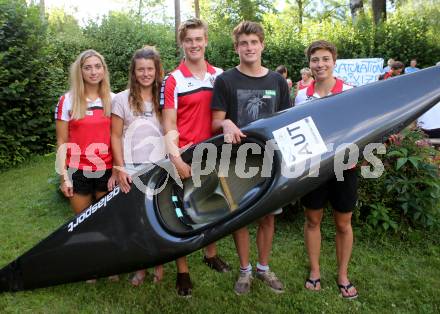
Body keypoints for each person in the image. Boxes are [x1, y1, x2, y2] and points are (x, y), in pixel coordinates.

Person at [211, 21, 290, 295]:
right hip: (236, 161)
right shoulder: (225, 80)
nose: (249, 47)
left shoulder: (277, 81)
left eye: (254, 42)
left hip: (269, 161)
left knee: (268, 217)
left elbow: (285, 122)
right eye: (243, 43)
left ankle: (263, 268)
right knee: (241, 217)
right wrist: (226, 124)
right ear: (236, 48)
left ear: (262, 45)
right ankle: (244, 271)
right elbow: (215, 122)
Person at [161, 18, 230, 297]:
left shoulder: (220, 76)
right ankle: (183, 272)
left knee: (214, 204)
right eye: (188, 40)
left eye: (198, 39)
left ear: (206, 41)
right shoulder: (173, 79)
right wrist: (176, 159)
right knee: (181, 214)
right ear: (182, 43)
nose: (194, 44)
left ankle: (210, 255)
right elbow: (168, 124)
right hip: (186, 156)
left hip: (214, 152)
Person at [295, 40, 358, 299]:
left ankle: (343, 275)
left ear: (334, 61)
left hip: (345, 165)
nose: (319, 64)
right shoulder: (302, 95)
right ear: (309, 64)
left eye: (324, 59)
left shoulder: (351, 91)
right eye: (314, 60)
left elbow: (361, 127)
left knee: (343, 223)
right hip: (314, 167)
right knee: (313, 220)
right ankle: (315, 271)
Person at [55, 49, 117, 282]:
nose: (93, 71)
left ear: (104, 70)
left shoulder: (112, 98)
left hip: (106, 170)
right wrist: (64, 177)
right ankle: (90, 266)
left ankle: (109, 265)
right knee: (84, 222)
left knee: (105, 220)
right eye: (88, 67)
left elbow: (117, 137)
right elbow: (61, 140)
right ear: (79, 71)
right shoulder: (67, 100)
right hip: (77, 170)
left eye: (97, 66)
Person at [111, 46, 165, 286]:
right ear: (133, 72)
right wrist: (119, 167)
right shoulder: (121, 99)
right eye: (140, 69)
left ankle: (159, 264)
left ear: (156, 70)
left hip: (160, 166)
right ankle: (141, 268)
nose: (145, 74)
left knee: (158, 218)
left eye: (149, 69)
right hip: (132, 167)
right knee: (137, 221)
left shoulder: (163, 95)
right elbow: (114, 135)